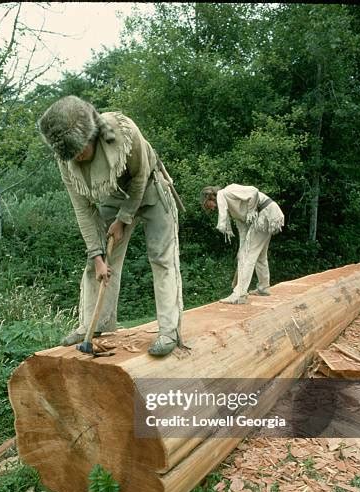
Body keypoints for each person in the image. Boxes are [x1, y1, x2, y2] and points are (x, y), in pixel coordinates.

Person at [38, 95, 183, 356]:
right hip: (115, 194)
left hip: (151, 188)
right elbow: (83, 209)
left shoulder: (123, 132)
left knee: (161, 258)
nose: (79, 157)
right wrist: (96, 255)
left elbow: (140, 177)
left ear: (92, 135)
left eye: (82, 149)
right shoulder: (66, 157)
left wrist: (123, 219)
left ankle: (169, 331)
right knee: (97, 260)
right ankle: (94, 325)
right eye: (74, 155)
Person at [201, 184, 284, 304]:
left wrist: (251, 211)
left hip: (265, 214)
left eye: (208, 205)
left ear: (210, 197)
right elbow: (243, 230)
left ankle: (239, 294)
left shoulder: (228, 192)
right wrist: (241, 250)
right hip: (266, 214)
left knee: (248, 257)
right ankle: (263, 288)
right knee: (258, 255)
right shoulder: (232, 207)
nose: (212, 209)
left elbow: (253, 192)